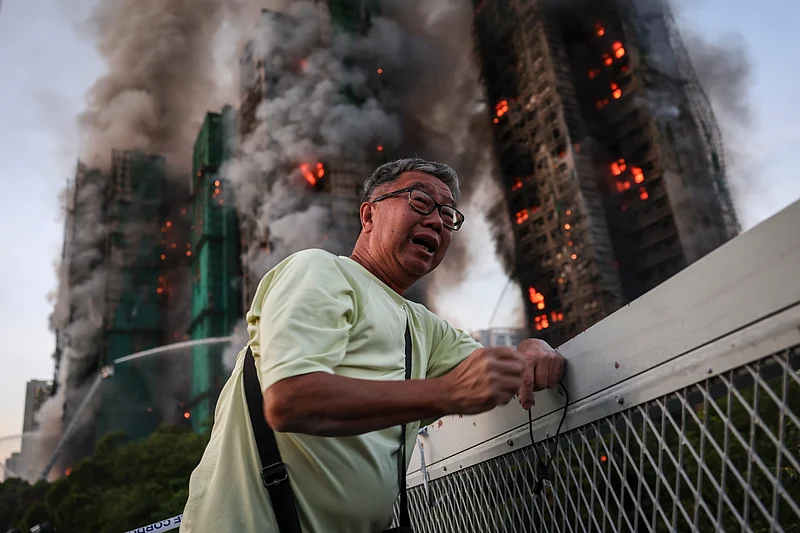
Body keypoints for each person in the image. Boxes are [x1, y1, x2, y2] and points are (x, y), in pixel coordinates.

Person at [180, 158, 565, 532]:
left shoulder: (424, 326)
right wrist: (446, 393)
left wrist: (532, 348)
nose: (436, 220)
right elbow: (290, 399)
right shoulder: (318, 270)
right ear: (368, 216)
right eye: (420, 201)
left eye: (448, 216)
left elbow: (498, 372)